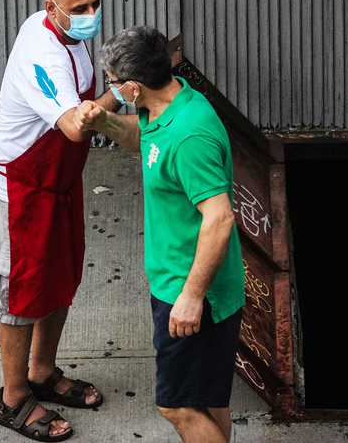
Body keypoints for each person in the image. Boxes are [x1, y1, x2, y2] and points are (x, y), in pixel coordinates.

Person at [0, 0, 120, 441]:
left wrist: (119, 87)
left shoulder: (68, 34)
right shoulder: (44, 55)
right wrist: (124, 96)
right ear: (50, 8)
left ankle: (42, 372)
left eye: (97, 3)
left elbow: (84, 113)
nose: (92, 14)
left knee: (58, 276)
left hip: (56, 183)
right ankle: (13, 399)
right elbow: (75, 123)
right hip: (16, 188)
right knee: (20, 293)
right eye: (81, 8)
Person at [73, 26, 245, 443]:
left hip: (194, 294)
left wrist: (190, 298)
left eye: (113, 85)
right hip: (180, 283)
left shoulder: (190, 136)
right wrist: (105, 121)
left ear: (132, 86)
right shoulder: (164, 106)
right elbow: (144, 140)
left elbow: (220, 217)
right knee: (208, 402)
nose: (111, 91)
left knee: (177, 405)